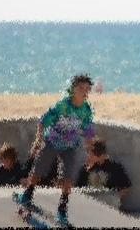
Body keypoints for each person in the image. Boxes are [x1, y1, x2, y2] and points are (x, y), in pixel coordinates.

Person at [14, 73, 98, 228]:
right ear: (73, 89)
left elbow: (88, 132)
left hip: (70, 146)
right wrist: (37, 141)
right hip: (52, 141)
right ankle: (27, 194)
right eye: (81, 88)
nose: (84, 92)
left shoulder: (86, 110)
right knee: (38, 170)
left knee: (68, 177)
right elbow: (43, 122)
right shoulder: (62, 105)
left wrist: (91, 153)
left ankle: (62, 211)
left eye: (87, 89)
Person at [75, 137, 132, 209]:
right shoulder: (86, 169)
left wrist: (114, 197)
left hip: (107, 205)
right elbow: (78, 190)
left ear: (98, 153)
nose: (87, 156)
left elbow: (127, 188)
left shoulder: (114, 167)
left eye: (90, 153)